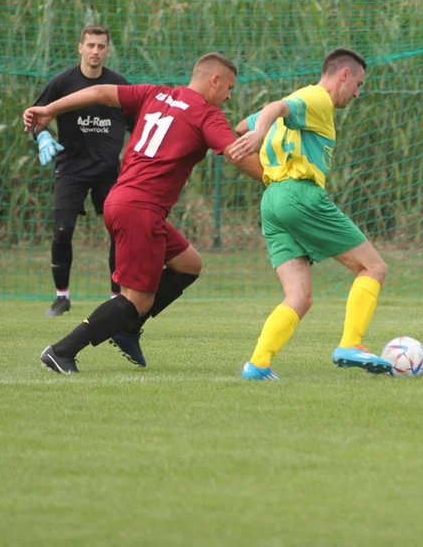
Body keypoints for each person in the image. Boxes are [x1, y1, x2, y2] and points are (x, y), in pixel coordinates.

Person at [24, 53, 263, 373]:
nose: (230, 96)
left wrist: (49, 109)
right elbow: (235, 154)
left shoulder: (157, 93)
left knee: (189, 264)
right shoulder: (207, 115)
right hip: (140, 210)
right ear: (214, 81)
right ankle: (63, 350)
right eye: (229, 88)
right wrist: (281, 177)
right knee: (137, 300)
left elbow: (98, 92)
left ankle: (128, 328)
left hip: (120, 201)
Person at [226, 48, 392, 381]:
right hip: (300, 195)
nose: (358, 93)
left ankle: (258, 365)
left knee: (299, 296)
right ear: (343, 75)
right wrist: (261, 134)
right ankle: (351, 343)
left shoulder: (301, 99)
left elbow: (242, 125)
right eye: (358, 84)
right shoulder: (318, 99)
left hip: (272, 201)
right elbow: (274, 110)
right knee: (373, 267)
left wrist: (260, 139)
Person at [30, 25, 131, 317]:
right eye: (91, 46)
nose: (96, 51)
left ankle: (116, 298)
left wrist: (132, 159)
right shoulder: (62, 82)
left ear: (107, 50)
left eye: (101, 46)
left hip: (109, 173)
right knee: (63, 231)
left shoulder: (118, 84)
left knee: (119, 234)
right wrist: (42, 136)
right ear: (80, 48)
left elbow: (137, 126)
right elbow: (37, 117)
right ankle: (62, 297)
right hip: (70, 170)